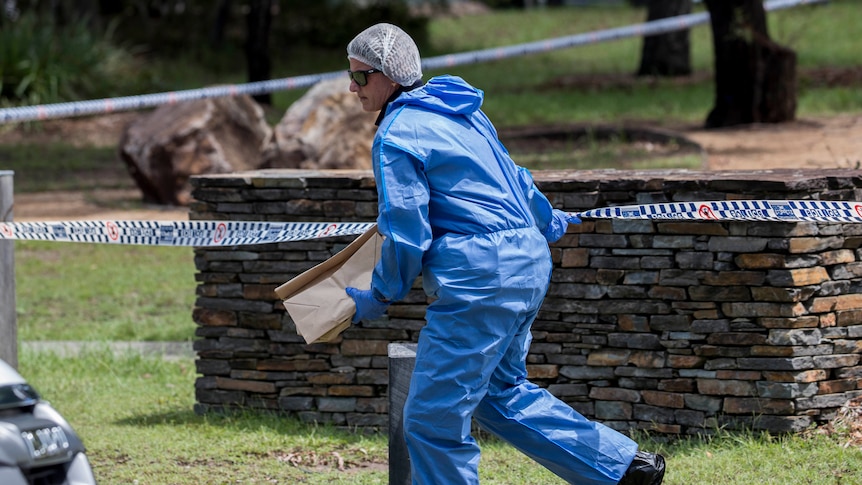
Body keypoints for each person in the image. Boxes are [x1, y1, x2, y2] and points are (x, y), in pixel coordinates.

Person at [344, 23, 665, 485]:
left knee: (431, 423)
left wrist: (381, 293)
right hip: (528, 265)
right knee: (500, 395)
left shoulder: (395, 136)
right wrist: (544, 217)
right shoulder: (460, 110)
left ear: (388, 77)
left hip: (479, 281)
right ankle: (621, 470)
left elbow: (406, 231)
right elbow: (515, 176)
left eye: (359, 77)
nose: (352, 88)